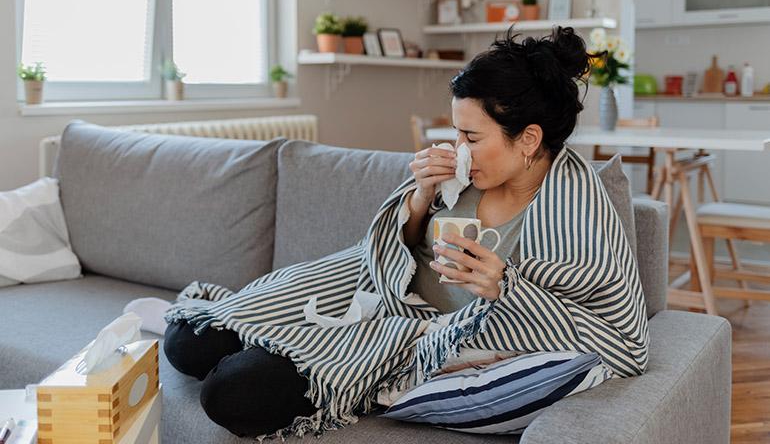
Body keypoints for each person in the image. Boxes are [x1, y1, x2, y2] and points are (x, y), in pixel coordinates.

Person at [164, 26, 647, 438]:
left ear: (529, 138)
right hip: (368, 283)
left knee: (234, 394)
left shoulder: (576, 204)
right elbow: (396, 244)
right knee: (189, 339)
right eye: (456, 132)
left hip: (412, 333)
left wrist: (507, 288)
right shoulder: (463, 175)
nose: (458, 148)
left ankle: (289, 347)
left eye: (472, 137)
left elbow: (621, 340)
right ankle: (274, 329)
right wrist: (419, 194)